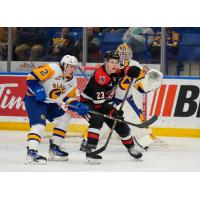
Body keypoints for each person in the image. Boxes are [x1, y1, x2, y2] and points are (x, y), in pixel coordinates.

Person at [24, 55, 90, 164]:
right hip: (35, 100)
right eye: (70, 67)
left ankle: (54, 149)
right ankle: (32, 153)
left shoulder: (73, 81)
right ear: (63, 65)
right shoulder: (53, 69)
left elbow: (68, 98)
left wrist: (77, 106)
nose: (73, 69)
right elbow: (31, 77)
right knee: (39, 125)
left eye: (74, 67)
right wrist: (37, 88)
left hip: (51, 103)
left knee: (65, 118)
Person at [80, 50, 143, 164]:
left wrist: (131, 70)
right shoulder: (101, 77)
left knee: (119, 122)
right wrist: (113, 112)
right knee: (97, 119)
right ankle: (90, 151)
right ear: (106, 63)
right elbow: (99, 105)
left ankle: (131, 148)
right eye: (112, 62)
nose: (115, 65)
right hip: (88, 103)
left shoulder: (114, 70)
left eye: (116, 62)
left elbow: (123, 70)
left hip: (103, 101)